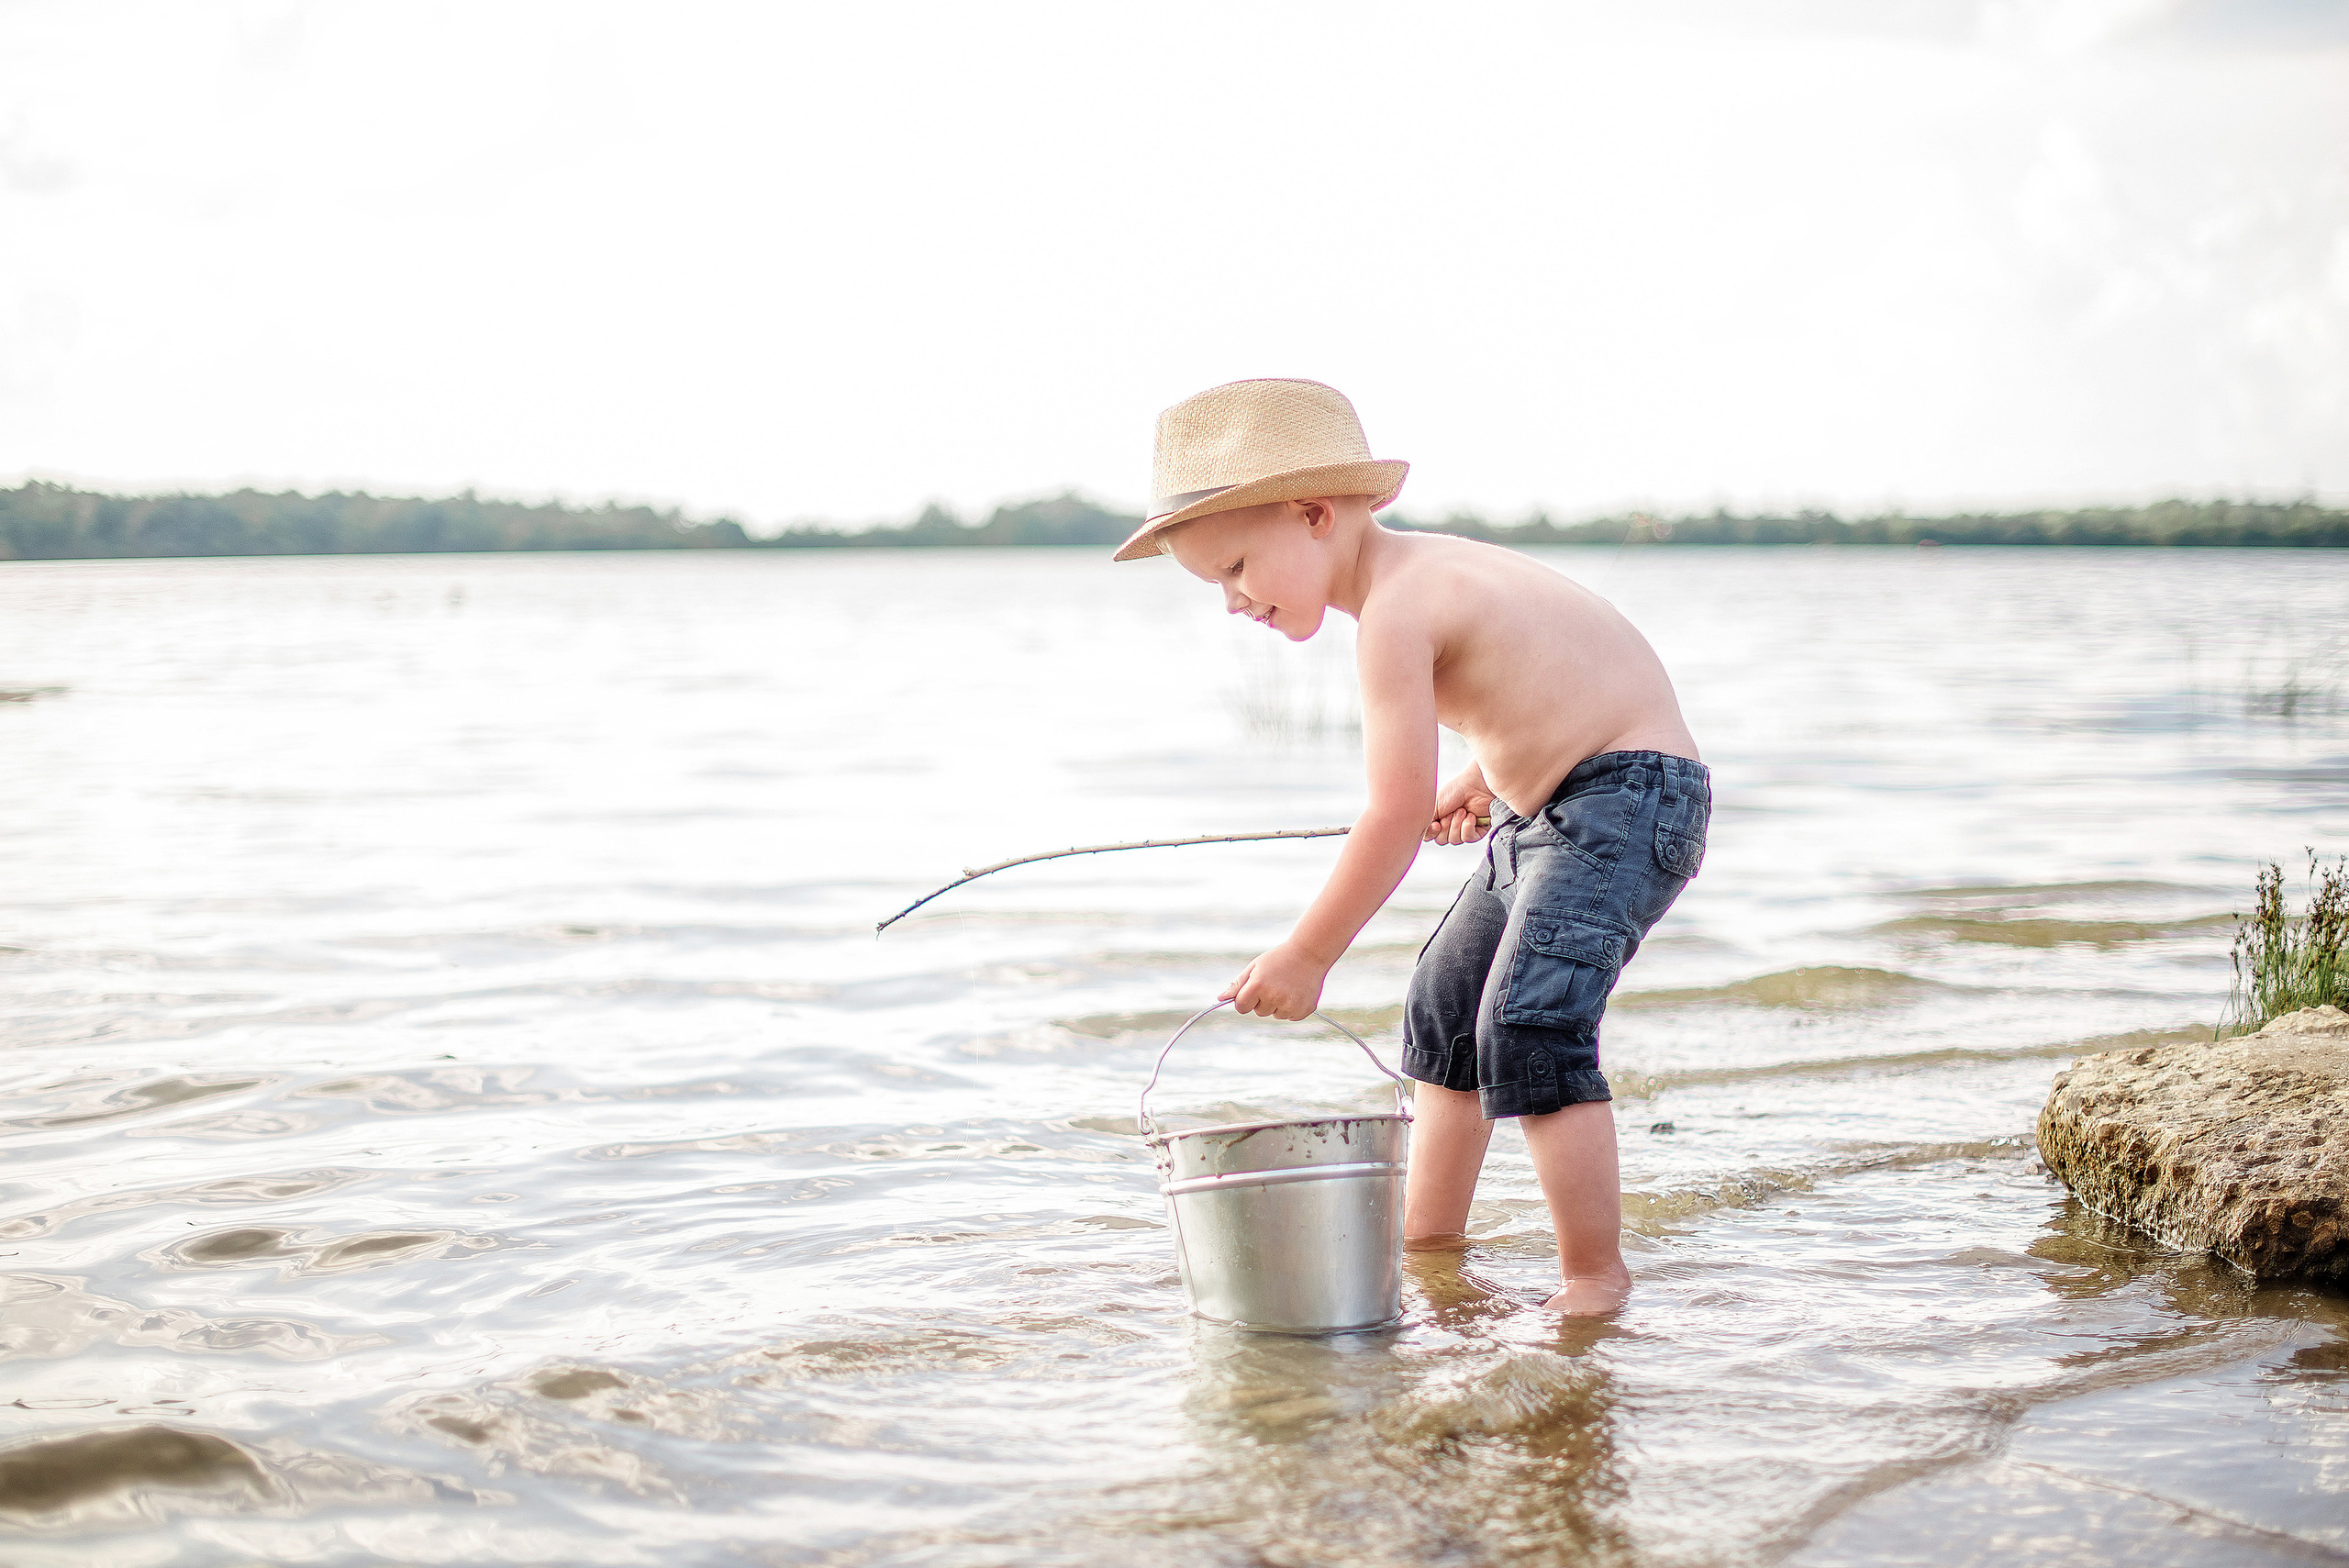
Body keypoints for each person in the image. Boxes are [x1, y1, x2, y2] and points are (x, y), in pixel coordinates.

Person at [1112, 378, 1709, 1316]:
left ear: (1313, 514)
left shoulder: (1394, 609)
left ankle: (1594, 1275)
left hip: (1625, 800)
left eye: (1234, 567)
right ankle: (1430, 1243)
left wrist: (1308, 953)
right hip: (1558, 796)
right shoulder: (1426, 574)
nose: (1231, 601)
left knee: (1532, 1021)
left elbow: (1389, 815)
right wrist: (1486, 776)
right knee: (1443, 1003)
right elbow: (1544, 677)